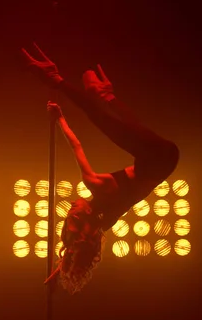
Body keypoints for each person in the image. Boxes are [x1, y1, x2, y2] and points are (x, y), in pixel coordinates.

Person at [22, 43, 180, 294]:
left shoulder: (102, 222)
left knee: (127, 129)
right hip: (158, 159)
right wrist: (60, 117)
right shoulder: (95, 185)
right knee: (104, 122)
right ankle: (60, 80)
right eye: (74, 214)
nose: (71, 207)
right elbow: (76, 146)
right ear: (85, 218)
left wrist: (63, 267)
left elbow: (81, 243)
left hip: (159, 160)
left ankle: (105, 94)